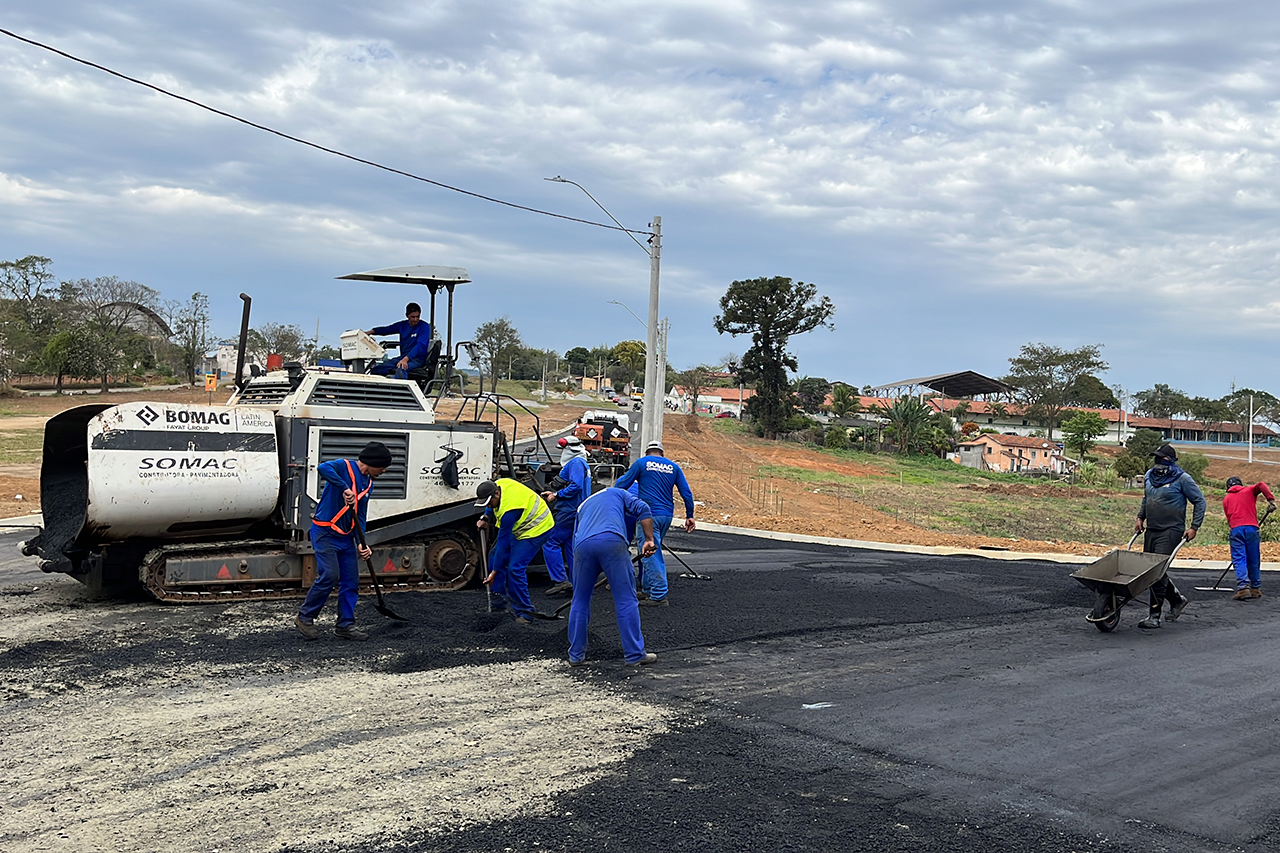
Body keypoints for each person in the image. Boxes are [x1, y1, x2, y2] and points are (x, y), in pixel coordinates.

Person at [295, 441, 392, 641]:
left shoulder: (369, 483)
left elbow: (361, 515)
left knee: (350, 581)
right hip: (325, 532)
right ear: (372, 462)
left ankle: (345, 625)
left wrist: (361, 542)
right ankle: (305, 617)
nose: (384, 470)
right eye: (382, 466)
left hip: (347, 537)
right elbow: (323, 468)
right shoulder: (343, 467)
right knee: (330, 575)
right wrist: (344, 488)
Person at [567, 486, 658, 667]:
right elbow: (644, 509)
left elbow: (576, 536)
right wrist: (649, 539)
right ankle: (634, 654)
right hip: (611, 540)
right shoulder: (618, 492)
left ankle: (576, 656)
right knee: (625, 598)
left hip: (582, 548)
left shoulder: (582, 505)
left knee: (580, 599)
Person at [614, 439, 695, 606]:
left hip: (648, 516)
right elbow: (686, 493)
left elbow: (622, 484)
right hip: (666, 516)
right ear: (662, 453)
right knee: (651, 551)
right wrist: (689, 515)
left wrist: (613, 500)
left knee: (652, 554)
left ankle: (658, 595)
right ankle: (647, 589)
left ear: (647, 452)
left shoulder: (641, 463)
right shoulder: (673, 467)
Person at [1134, 443, 1205, 629]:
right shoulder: (1150, 476)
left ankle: (1154, 616)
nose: (1158, 461)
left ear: (1171, 460)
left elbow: (1199, 501)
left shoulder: (1182, 479)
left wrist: (1194, 527)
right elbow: (1146, 498)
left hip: (1171, 530)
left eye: (1162, 458)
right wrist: (1140, 517)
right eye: (1156, 457)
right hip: (1152, 529)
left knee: (1155, 571)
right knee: (1153, 571)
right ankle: (1177, 600)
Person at [475, 478, 555, 623]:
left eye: (489, 502)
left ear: (497, 495)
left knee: (515, 568)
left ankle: (526, 613)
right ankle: (498, 606)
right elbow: (491, 505)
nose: (489, 505)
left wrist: (494, 572)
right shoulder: (499, 485)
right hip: (522, 526)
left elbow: (503, 543)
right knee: (494, 559)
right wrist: (486, 517)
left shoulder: (509, 511)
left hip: (538, 528)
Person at [540, 436, 592, 597]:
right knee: (569, 545)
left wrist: (557, 495)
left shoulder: (576, 462)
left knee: (550, 541)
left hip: (569, 509)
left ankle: (560, 580)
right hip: (576, 510)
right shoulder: (581, 463)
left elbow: (576, 486)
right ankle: (576, 584)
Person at [1222, 476, 1276, 601]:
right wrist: (1271, 500)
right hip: (1252, 528)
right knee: (1253, 558)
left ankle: (1243, 588)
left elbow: (1229, 518)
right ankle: (1255, 588)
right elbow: (1261, 484)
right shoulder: (1249, 491)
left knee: (1239, 559)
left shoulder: (1226, 499)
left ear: (1228, 488)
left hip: (1236, 529)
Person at [367, 302, 432, 379]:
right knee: (377, 369)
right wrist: (370, 332)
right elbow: (387, 329)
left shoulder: (424, 327)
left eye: (417, 316)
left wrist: (406, 359)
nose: (415, 319)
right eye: (413, 317)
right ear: (407, 316)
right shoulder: (402, 326)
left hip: (416, 360)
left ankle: (400, 390)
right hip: (403, 357)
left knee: (402, 368)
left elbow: (420, 345)